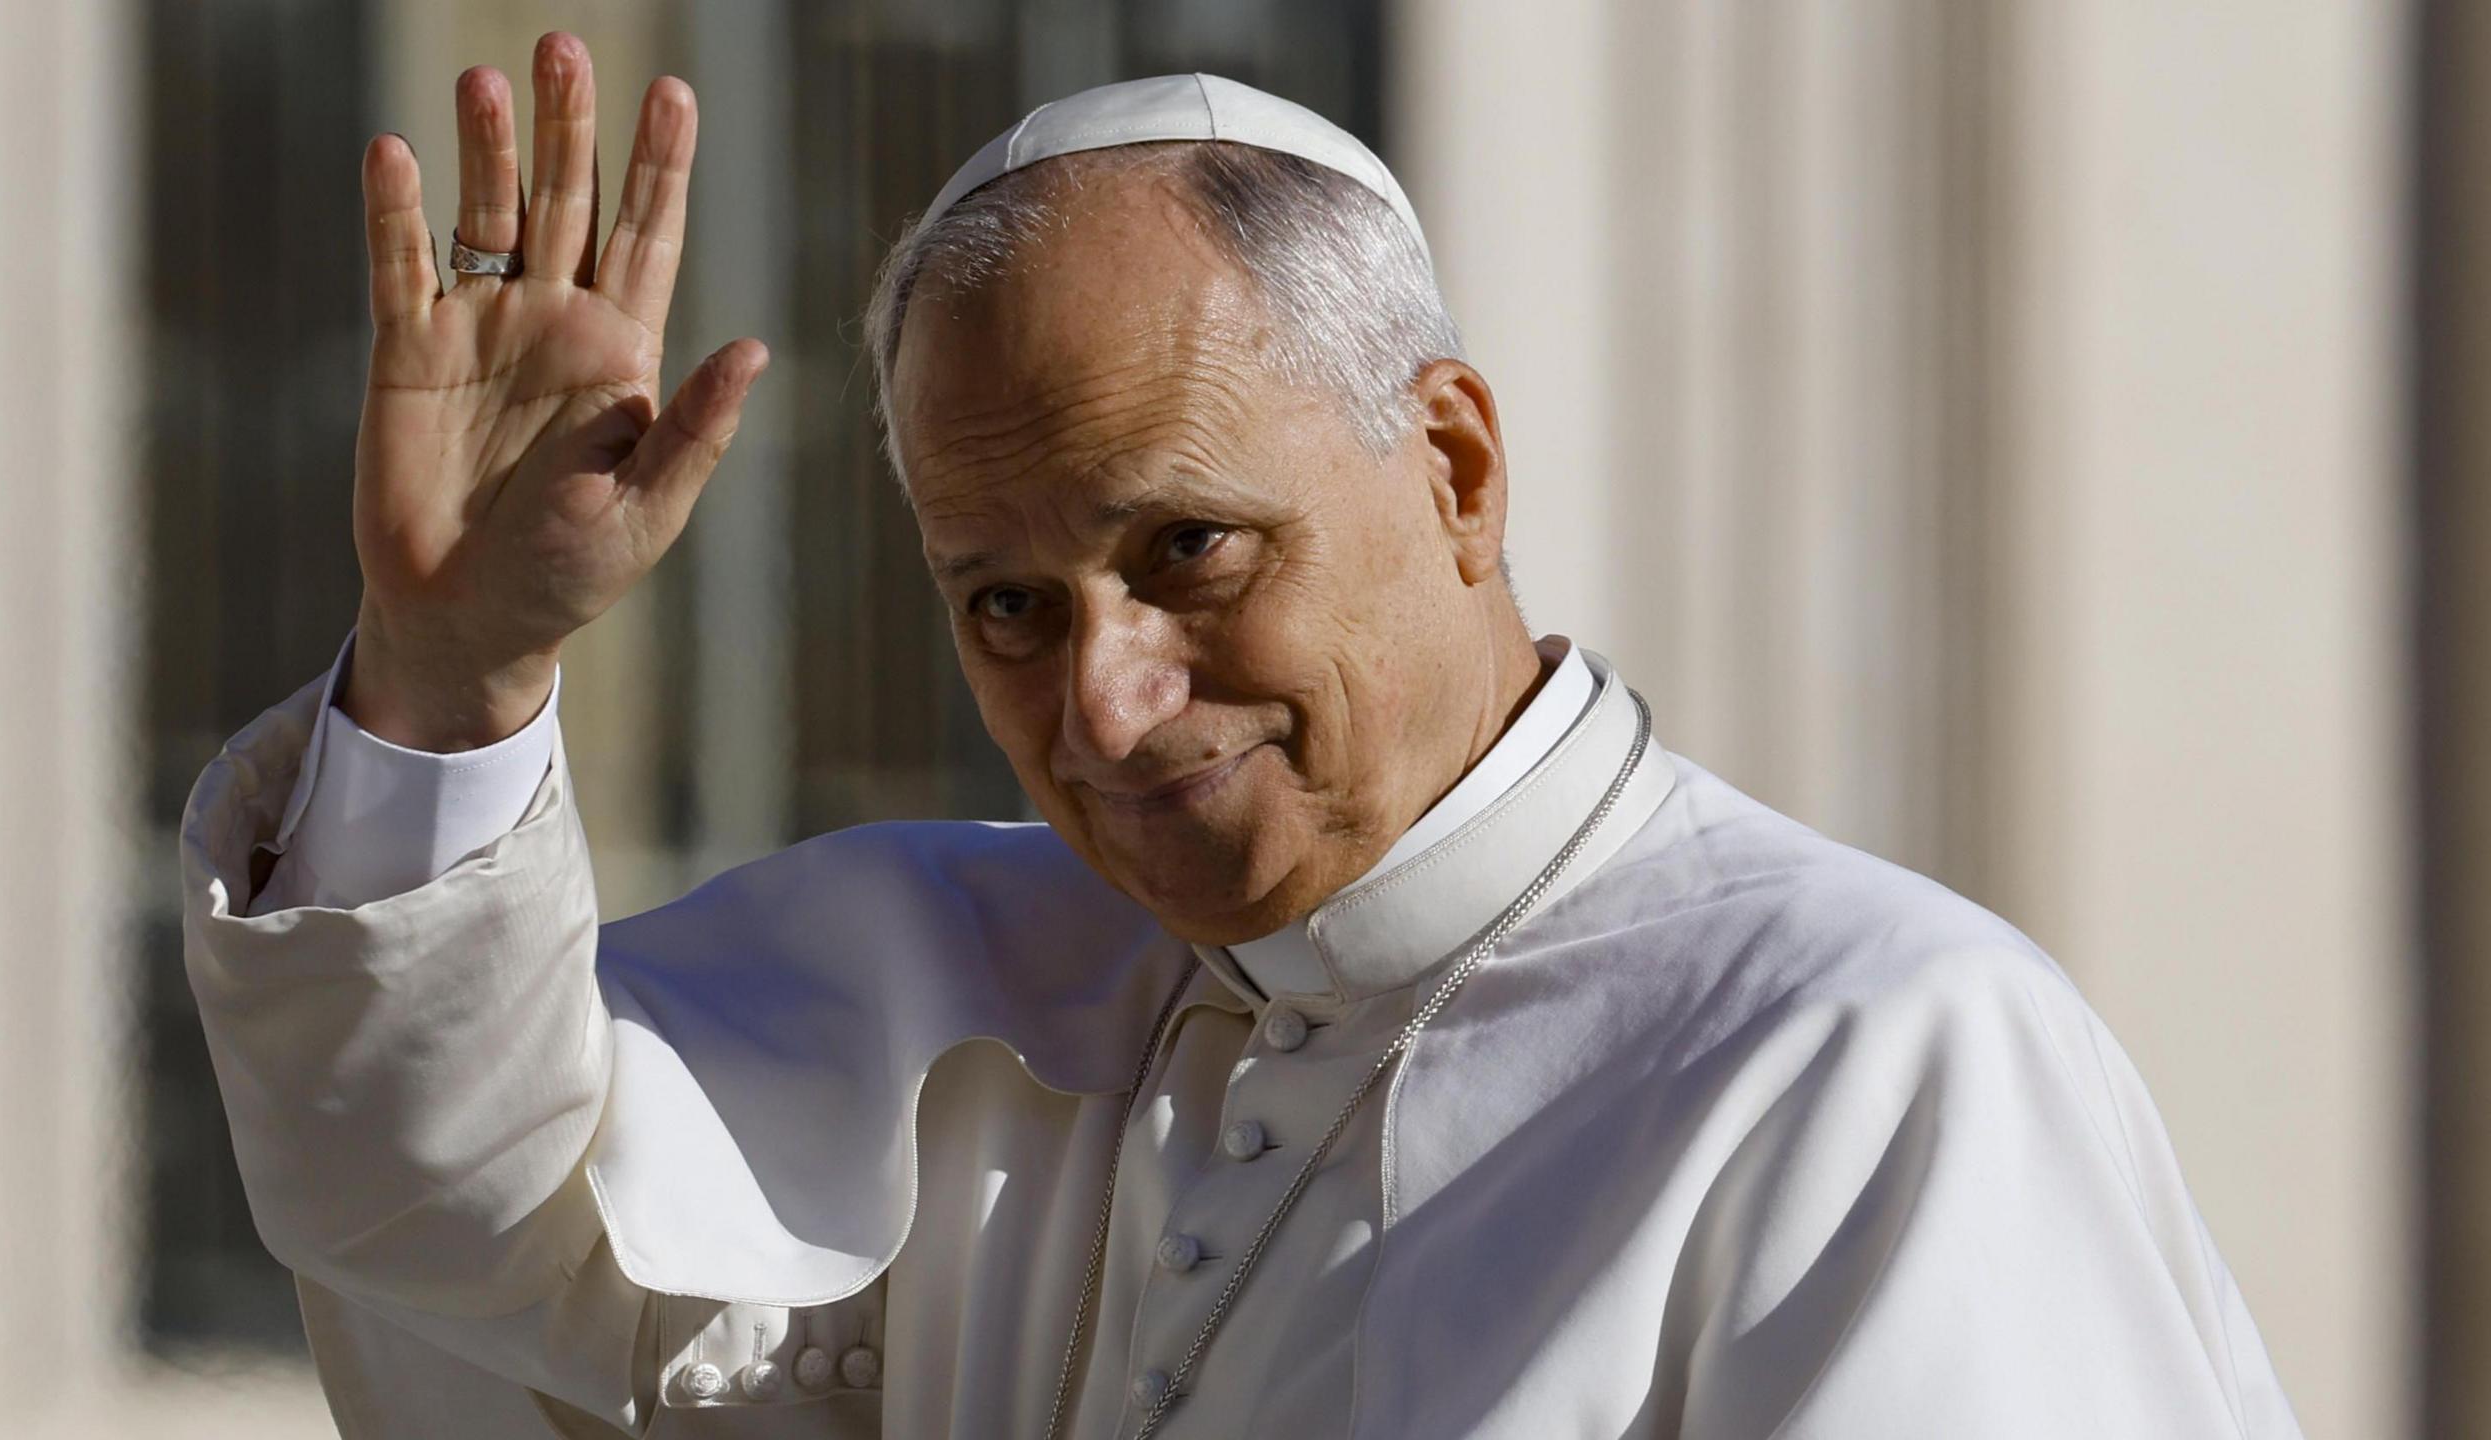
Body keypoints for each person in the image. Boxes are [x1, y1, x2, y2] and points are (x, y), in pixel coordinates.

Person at [179, 32, 2302, 1440]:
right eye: (1004, 606)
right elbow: (451, 1241)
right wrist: (453, 679)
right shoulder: (965, 998)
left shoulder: (1866, 1054)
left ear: (1454, 469)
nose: (1098, 704)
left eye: (1187, 548)